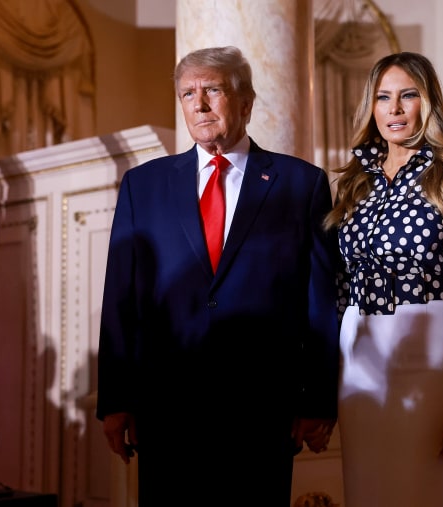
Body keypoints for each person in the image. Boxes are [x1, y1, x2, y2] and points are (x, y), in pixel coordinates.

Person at [96, 46, 341, 507]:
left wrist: (317, 400)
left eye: (213, 90)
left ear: (246, 102)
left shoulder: (301, 184)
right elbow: (121, 300)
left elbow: (321, 301)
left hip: (262, 411)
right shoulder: (143, 186)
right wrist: (115, 399)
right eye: (188, 93)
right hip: (167, 409)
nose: (199, 104)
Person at [324, 52, 443, 507]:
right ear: (372, 108)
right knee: (366, 492)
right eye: (383, 98)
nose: (395, 109)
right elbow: (339, 291)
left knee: (427, 491)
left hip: (428, 349)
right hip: (358, 353)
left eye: (408, 96)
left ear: (428, 104)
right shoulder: (352, 184)